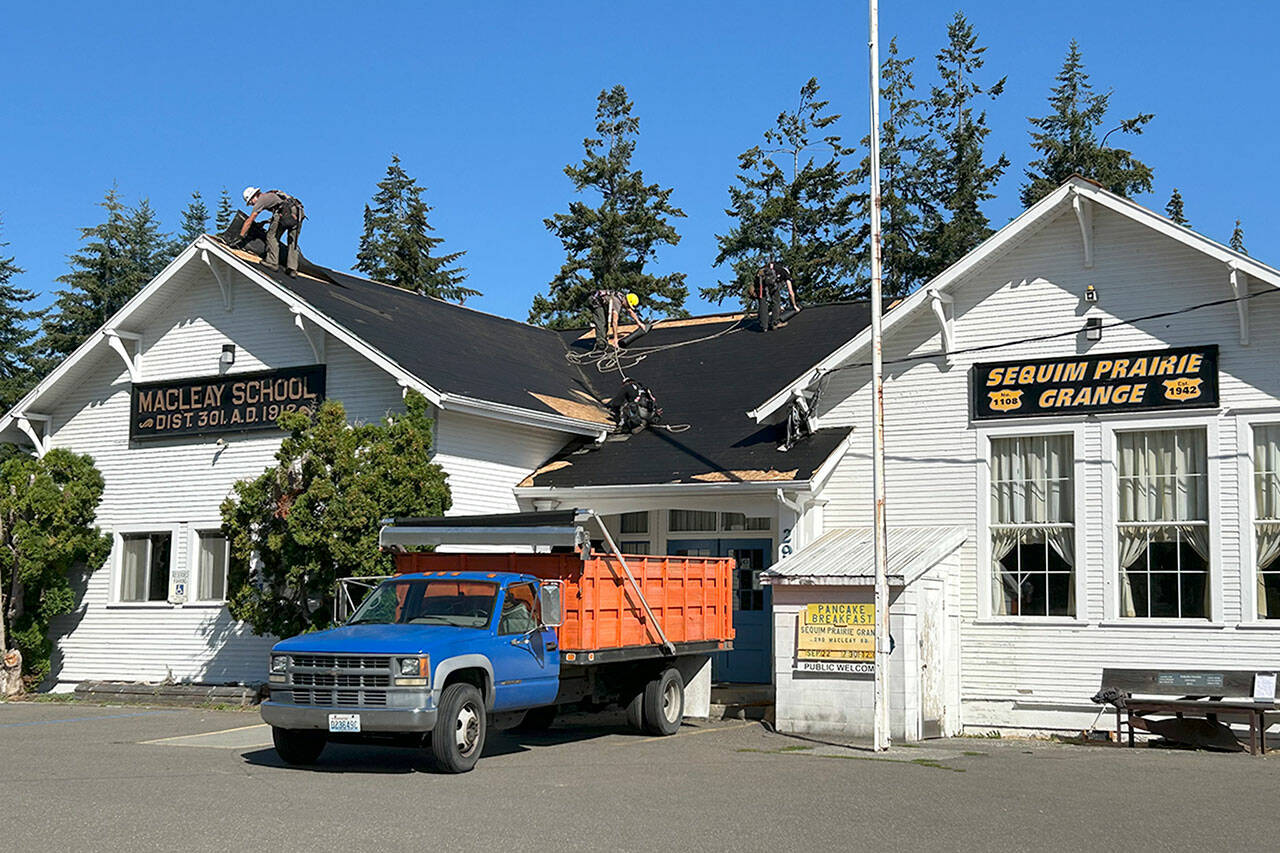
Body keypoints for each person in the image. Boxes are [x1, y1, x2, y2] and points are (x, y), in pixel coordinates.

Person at [236, 187, 305, 276]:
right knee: (292, 241)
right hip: (298, 213)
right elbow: (283, 211)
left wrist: (241, 236)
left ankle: (272, 262)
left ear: (254, 196)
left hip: (284, 212)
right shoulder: (271, 196)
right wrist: (265, 222)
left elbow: (250, 220)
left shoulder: (261, 200)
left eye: (250, 202)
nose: (252, 204)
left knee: (271, 236)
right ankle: (292, 269)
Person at [754, 259, 799, 331]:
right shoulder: (784, 272)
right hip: (770, 283)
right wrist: (794, 306)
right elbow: (791, 292)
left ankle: (764, 326)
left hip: (759, 282)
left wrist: (778, 308)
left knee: (762, 302)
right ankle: (775, 323)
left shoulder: (766, 267)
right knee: (776, 299)